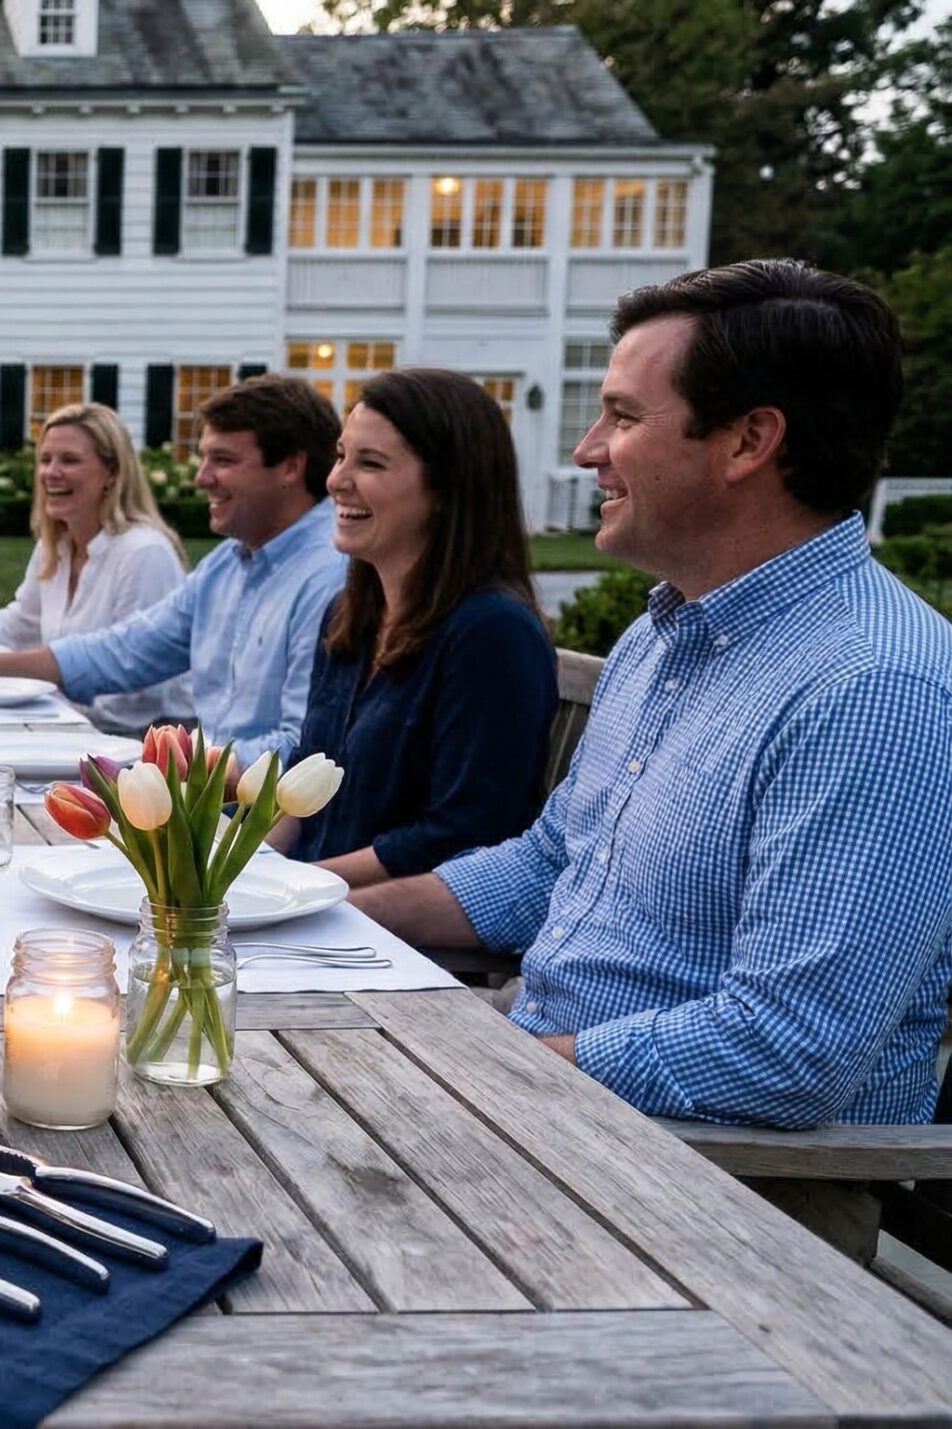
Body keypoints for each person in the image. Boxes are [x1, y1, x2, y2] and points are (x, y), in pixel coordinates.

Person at [355, 260, 952, 1128]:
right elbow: (548, 863)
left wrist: (484, 1068)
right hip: (551, 1095)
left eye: (624, 417)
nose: (586, 449)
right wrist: (316, 915)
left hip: (719, 1190)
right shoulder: (666, 634)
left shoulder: (872, 690)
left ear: (750, 441)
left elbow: (790, 1048)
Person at [0, 374, 347, 769]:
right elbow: (122, 651)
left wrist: (164, 774)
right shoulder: (226, 566)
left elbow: (302, 750)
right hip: (203, 791)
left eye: (223, 460)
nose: (200, 478)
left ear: (291, 466)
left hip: (244, 818)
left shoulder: (328, 577)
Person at [276, 369, 555, 887]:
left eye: (371, 463)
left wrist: (299, 888)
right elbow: (302, 783)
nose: (337, 480)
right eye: (341, 455)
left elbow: (465, 833)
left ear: (448, 489)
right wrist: (228, 876)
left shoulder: (492, 634)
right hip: (309, 900)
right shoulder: (349, 615)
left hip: (392, 934)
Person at [0, 402, 193, 734]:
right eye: (45, 460)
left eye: (70, 460)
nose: (51, 472)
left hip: (137, 743)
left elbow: (136, 694)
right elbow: (20, 624)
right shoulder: (57, 544)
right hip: (67, 724)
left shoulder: (144, 552)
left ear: (113, 473)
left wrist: (3, 682)